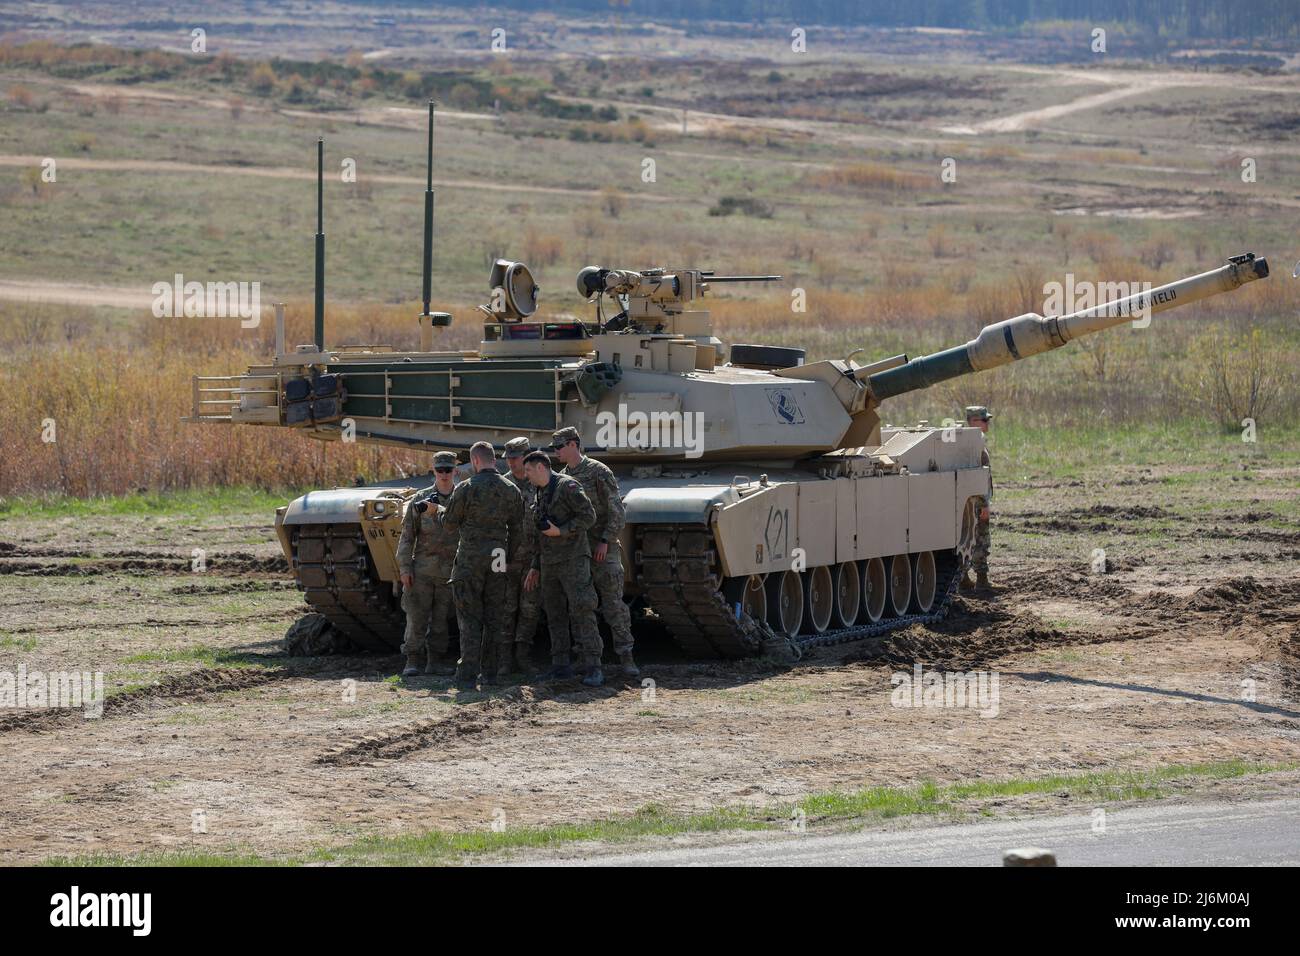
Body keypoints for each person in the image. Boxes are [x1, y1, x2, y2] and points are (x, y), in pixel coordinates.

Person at [551, 426, 638, 678]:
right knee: (579, 606)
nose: (556, 452)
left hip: (603, 549)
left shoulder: (598, 471)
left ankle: (626, 657)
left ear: (573, 444)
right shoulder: (561, 479)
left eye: (559, 446)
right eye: (554, 447)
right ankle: (586, 656)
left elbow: (616, 511)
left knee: (613, 604)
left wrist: (605, 541)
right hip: (578, 552)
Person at [436, 441, 523, 689]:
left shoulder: (465, 488)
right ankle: (491, 675)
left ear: (474, 461)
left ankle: (467, 676)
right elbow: (518, 530)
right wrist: (509, 557)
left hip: (470, 559)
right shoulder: (511, 489)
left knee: (469, 618)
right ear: (494, 460)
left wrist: (438, 511)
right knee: (494, 617)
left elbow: (450, 524)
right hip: (498, 558)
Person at [521, 449, 604, 687]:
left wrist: (562, 531)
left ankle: (593, 666)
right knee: (555, 614)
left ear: (540, 468)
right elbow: (539, 533)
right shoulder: (539, 491)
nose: (526, 475)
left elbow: (589, 516)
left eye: (528, 470)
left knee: (582, 610)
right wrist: (536, 566)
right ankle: (560, 665)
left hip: (573, 559)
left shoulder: (567, 487)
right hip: (549, 563)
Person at [395, 451, 460, 676]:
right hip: (422, 570)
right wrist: (404, 568)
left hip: (449, 571)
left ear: (455, 471)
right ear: (433, 470)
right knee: (416, 617)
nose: (444, 474)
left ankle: (436, 661)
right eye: (439, 470)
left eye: (448, 470)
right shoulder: (419, 499)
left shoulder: (461, 498)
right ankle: (412, 661)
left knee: (441, 620)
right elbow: (406, 537)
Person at [499, 437, 541, 678]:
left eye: (516, 458)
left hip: (533, 560)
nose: (512, 463)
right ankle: (504, 660)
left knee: (530, 610)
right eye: (509, 458)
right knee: (505, 610)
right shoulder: (502, 486)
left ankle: (522, 657)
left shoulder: (541, 483)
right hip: (506, 560)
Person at [962, 406, 992, 590]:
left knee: (968, 538)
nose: (987, 423)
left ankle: (964, 578)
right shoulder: (972, 444)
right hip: (975, 502)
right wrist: (983, 503)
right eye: (984, 420)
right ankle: (981, 580)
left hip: (970, 502)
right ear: (973, 422)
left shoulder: (972, 442)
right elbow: (975, 477)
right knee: (980, 538)